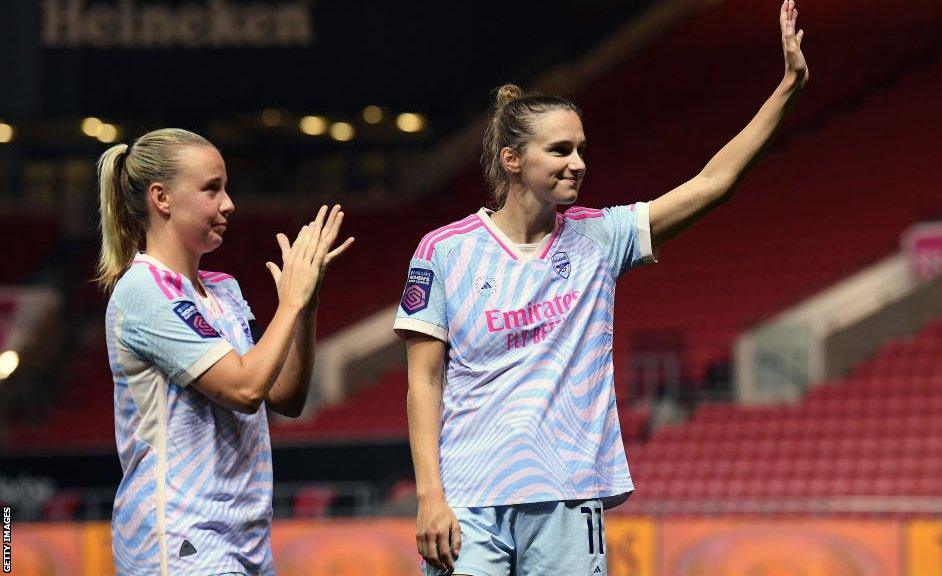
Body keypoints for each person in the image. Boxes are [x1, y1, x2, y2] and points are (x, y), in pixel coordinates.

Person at [394, 1, 808, 573]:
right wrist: (429, 497)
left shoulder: (600, 237)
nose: (578, 163)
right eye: (560, 150)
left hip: (567, 492)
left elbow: (715, 183)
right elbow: (423, 380)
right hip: (469, 500)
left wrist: (787, 87)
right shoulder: (444, 250)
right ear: (512, 160)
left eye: (581, 148)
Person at [97, 127, 353, 575]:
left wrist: (305, 308)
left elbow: (285, 397)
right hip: (181, 536)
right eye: (211, 188)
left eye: (226, 187)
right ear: (162, 198)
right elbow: (244, 388)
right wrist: (289, 301)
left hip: (245, 534)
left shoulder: (224, 289)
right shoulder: (143, 289)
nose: (228, 203)